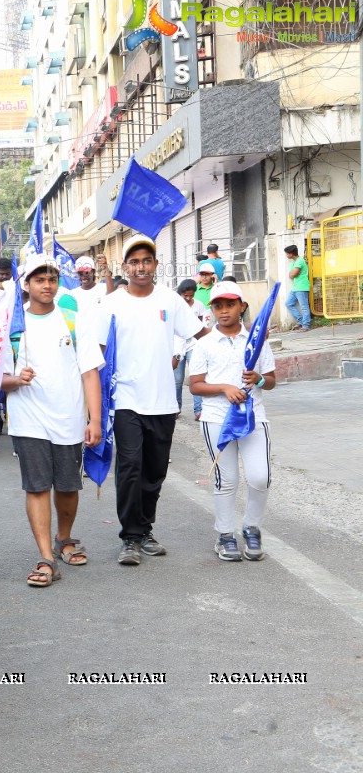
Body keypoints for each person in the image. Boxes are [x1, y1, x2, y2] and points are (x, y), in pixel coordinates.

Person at [96, 235, 208, 566]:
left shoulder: (171, 301)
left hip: (162, 401)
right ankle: (130, 537)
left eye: (147, 260)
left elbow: (200, 335)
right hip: (126, 399)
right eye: (134, 261)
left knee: (154, 471)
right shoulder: (111, 303)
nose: (141, 267)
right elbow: (99, 352)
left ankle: (145, 530)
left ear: (155, 265)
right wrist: (96, 404)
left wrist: (239, 338)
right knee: (130, 466)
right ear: (125, 267)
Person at [1, 256, 104, 586]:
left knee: (68, 485)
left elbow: (90, 373)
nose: (47, 285)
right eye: (39, 279)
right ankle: (46, 557)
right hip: (28, 419)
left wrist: (95, 420)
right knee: (37, 485)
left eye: (52, 279)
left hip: (69, 418)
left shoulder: (72, 319)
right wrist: (16, 379)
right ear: (26, 285)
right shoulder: (11, 326)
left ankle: (64, 537)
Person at [188, 282, 276, 562]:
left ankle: (251, 527)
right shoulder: (203, 344)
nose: (224, 310)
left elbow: (271, 380)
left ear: (242, 306)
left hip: (254, 417)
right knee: (227, 480)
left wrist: (259, 379)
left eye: (230, 304)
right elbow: (195, 385)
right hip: (216, 419)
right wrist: (225, 388)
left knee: (260, 476)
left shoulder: (257, 340)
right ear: (211, 309)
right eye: (218, 305)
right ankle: (225, 535)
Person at [173, 279, 212, 420]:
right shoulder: (175, 306)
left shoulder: (199, 306)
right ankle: (176, 408)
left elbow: (203, 325)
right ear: (180, 294)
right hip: (177, 345)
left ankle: (199, 410)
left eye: (191, 295)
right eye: (185, 296)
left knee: (196, 376)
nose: (188, 298)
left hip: (194, 344)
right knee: (177, 379)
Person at [284, 244, 312, 332]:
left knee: (304, 307)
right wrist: (291, 274)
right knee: (289, 303)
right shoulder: (294, 262)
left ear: (291, 254)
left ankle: (306, 325)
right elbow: (291, 274)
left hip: (301, 287)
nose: (286, 255)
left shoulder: (300, 261)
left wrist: (292, 274)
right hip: (296, 287)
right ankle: (300, 321)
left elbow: (292, 274)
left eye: (287, 253)